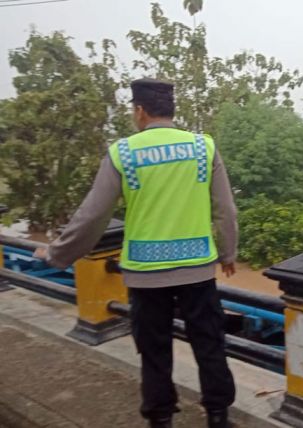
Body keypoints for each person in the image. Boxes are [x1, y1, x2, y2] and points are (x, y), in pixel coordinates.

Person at [34, 77, 238, 428]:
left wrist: (56, 255)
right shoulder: (204, 147)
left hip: (144, 273)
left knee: (154, 351)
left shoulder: (123, 153)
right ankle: (217, 415)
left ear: (140, 111)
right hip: (197, 270)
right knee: (209, 344)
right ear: (172, 111)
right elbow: (226, 210)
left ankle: (160, 419)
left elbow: (92, 216)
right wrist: (228, 253)